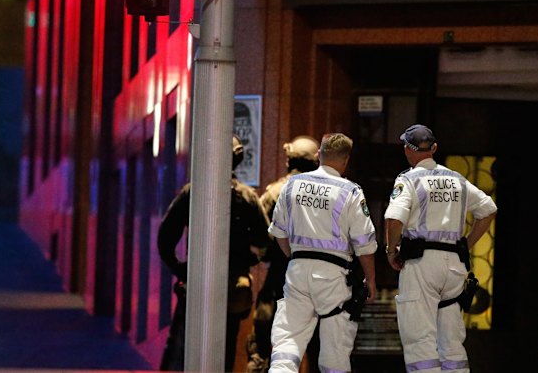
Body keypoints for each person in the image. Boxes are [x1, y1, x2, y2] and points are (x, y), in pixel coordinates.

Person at [384, 124, 497, 373]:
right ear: (434, 148)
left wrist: (391, 251)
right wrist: (467, 243)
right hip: (454, 266)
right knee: (452, 340)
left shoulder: (408, 179)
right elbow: (488, 210)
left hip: (422, 264)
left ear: (407, 150)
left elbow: (394, 219)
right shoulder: (457, 179)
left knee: (419, 339)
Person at [157, 135, 270, 372]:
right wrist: (249, 260)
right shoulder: (248, 197)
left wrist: (181, 268)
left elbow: (165, 239)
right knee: (225, 352)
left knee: (184, 351)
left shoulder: (192, 192)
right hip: (233, 290)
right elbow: (266, 242)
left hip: (196, 286)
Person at [267, 132, 378, 373]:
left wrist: (296, 258)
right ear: (346, 160)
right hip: (333, 277)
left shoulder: (292, 185)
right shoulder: (351, 192)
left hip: (297, 270)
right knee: (335, 351)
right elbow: (365, 244)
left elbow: (279, 232)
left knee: (287, 345)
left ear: (319, 155)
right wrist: (370, 279)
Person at [246, 135, 321, 373]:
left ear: (290, 161)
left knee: (264, 348)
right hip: (318, 282)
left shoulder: (276, 192)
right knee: (317, 350)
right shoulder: (329, 193)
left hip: (280, 279)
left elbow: (257, 235)